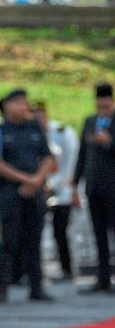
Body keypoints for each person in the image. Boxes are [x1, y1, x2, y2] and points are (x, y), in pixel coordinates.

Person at [73, 82, 115, 293]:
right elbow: (82, 154)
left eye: (106, 103)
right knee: (98, 233)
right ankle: (102, 279)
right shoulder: (90, 122)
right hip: (94, 187)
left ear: (112, 102)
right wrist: (75, 183)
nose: (102, 106)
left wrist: (110, 142)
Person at [0, 89, 56, 302]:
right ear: (6, 106)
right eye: (18, 103)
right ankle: (3, 287)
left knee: (35, 239)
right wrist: (25, 180)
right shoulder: (2, 131)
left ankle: (36, 287)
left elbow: (48, 157)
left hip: (34, 194)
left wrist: (36, 180)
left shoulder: (35, 129)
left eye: (25, 102)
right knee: (9, 241)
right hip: (10, 193)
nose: (24, 107)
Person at [37, 102, 80, 281]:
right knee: (36, 232)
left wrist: (57, 185)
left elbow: (71, 162)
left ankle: (67, 268)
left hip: (62, 191)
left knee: (61, 230)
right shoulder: (31, 134)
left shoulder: (62, 132)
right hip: (40, 189)